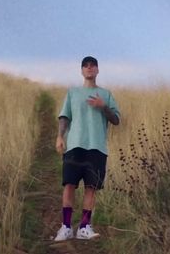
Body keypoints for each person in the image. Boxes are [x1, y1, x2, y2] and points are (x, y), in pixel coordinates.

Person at [54, 56, 120, 241]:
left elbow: (116, 120)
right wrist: (60, 136)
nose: (90, 69)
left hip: (97, 147)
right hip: (74, 145)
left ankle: (84, 227)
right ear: (82, 71)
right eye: (86, 66)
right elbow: (64, 117)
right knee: (69, 185)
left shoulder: (105, 94)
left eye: (93, 66)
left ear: (98, 70)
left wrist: (103, 106)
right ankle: (66, 227)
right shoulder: (73, 93)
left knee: (91, 187)